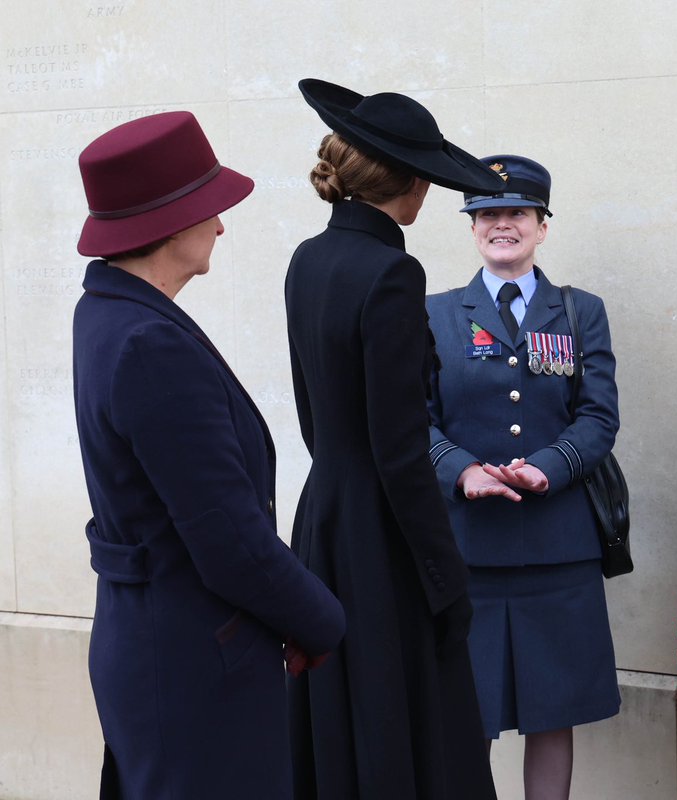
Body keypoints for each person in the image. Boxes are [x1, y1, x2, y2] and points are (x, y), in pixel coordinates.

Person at [71, 111, 346, 799]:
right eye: (210, 208)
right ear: (170, 222)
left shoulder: (106, 311)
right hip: (192, 664)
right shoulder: (148, 342)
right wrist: (320, 621)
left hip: (157, 645)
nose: (221, 225)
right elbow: (227, 539)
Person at [284, 79, 506, 800]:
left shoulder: (307, 259)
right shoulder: (391, 272)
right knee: (404, 719)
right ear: (410, 183)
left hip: (324, 518)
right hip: (381, 537)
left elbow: (318, 421)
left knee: (346, 710)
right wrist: (446, 581)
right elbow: (401, 450)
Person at [425, 154, 621, 800]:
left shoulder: (578, 312)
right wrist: (461, 473)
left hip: (555, 548)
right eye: (486, 214)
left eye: (515, 213)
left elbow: (596, 417)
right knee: (465, 713)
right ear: (471, 226)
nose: (500, 224)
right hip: (468, 549)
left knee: (552, 709)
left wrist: (547, 467)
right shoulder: (434, 314)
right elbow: (413, 421)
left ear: (541, 225)